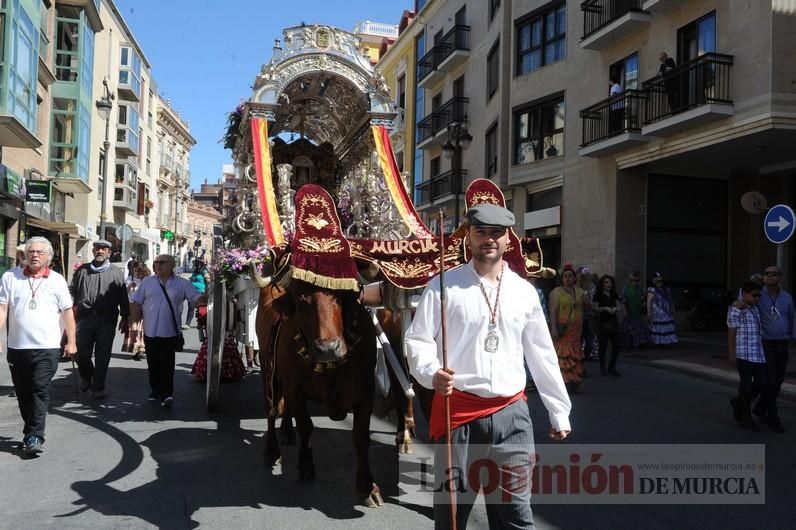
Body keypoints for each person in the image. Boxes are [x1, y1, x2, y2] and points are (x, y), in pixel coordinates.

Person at [405, 204, 571, 529]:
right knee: (452, 517)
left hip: (513, 417)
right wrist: (430, 372)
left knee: (516, 517)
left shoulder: (525, 292)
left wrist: (558, 411)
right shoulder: (442, 286)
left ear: (508, 239)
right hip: (460, 415)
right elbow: (418, 340)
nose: (489, 239)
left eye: (497, 233)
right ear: (469, 237)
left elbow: (542, 353)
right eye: (481, 232)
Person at [0, 237, 77, 455]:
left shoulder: (57, 280)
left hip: (47, 347)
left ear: (49, 257)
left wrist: (71, 341)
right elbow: (2, 309)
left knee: (38, 388)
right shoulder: (10, 277)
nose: (34, 255)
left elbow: (68, 313)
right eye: (31, 251)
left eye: (39, 252)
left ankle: (35, 435)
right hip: (17, 347)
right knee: (23, 392)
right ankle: (30, 430)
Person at [130, 254, 205, 407]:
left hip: (170, 331)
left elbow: (195, 298)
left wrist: (208, 297)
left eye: (162, 262)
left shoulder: (182, 284)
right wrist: (134, 321)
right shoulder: (147, 282)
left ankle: (167, 393)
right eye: (156, 262)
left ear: (172, 265)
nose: (158, 265)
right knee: (153, 363)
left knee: (167, 364)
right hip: (150, 330)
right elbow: (137, 301)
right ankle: (155, 390)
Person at [71, 240, 130, 399]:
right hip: (84, 318)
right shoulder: (82, 271)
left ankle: (98, 386)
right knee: (81, 353)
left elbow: (123, 297)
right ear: (93, 250)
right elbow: (72, 292)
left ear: (109, 252)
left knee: (102, 355)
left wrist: (125, 317)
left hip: (107, 319)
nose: (100, 251)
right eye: (97, 248)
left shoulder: (116, 273)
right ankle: (87, 374)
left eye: (104, 249)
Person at [751, 266, 792, 433]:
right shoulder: (758, 295)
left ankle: (759, 407)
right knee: (771, 380)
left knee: (779, 380)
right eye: (766, 273)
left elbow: (792, 316)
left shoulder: (787, 297)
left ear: (780, 277)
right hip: (765, 342)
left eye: (773, 274)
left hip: (783, 342)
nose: (769, 276)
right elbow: (742, 298)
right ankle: (773, 419)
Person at [727, 282, 766, 431]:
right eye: (754, 295)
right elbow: (732, 332)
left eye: (759, 295)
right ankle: (745, 417)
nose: (757, 298)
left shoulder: (755, 309)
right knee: (746, 386)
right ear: (745, 294)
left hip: (758, 354)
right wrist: (732, 354)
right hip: (743, 354)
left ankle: (738, 402)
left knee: (762, 382)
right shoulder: (736, 309)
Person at [550, 265, 590, 393]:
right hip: (563, 328)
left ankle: (573, 380)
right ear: (561, 279)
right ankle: (563, 383)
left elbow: (588, 307)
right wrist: (554, 329)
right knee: (562, 354)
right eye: (565, 276)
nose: (567, 278)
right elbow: (553, 311)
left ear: (574, 278)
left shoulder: (580, 292)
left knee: (574, 355)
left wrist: (586, 293)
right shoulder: (556, 292)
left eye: (570, 276)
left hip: (576, 330)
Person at [593, 275, 621, 376]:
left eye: (610, 282)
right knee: (603, 346)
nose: (609, 284)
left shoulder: (614, 294)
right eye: (606, 282)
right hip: (603, 322)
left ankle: (612, 367)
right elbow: (594, 308)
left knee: (617, 345)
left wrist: (615, 309)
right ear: (602, 284)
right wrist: (604, 308)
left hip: (613, 322)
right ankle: (602, 368)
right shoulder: (598, 295)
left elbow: (619, 306)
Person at [123, 263, 150, 361]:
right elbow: (124, 293)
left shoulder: (147, 280)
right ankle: (134, 347)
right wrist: (129, 286)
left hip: (144, 306)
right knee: (133, 328)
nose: (137, 274)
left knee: (142, 328)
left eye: (139, 272)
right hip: (132, 306)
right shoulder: (129, 279)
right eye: (135, 271)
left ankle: (141, 349)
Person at [647, 273, 678, 345]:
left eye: (661, 281)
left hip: (666, 311)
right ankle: (659, 341)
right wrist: (648, 312)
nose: (660, 283)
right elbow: (649, 302)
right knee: (660, 326)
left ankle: (667, 341)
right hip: (657, 312)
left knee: (668, 324)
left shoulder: (666, 289)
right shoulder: (652, 290)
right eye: (658, 281)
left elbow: (670, 300)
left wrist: (673, 308)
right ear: (655, 282)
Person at [620, 271, 650, 348]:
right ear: (630, 280)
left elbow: (643, 299)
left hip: (638, 313)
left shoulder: (639, 289)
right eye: (633, 280)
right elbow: (623, 300)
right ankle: (629, 344)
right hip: (630, 312)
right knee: (630, 329)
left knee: (639, 329)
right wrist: (624, 310)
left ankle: (639, 343)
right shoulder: (626, 289)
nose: (635, 282)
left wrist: (644, 304)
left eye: (636, 280)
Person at [577, 266, 597, 360]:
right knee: (577, 340)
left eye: (586, 275)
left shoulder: (592, 287)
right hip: (577, 318)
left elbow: (592, 302)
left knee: (589, 341)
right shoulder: (575, 287)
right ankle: (579, 360)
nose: (584, 277)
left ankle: (585, 355)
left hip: (589, 317)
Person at [185, 259, 210, 328]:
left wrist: (206, 291)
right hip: (193, 291)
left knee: (201, 308)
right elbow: (191, 278)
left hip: (201, 291)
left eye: (197, 264)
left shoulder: (204, 271)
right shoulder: (195, 272)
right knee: (191, 307)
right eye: (196, 264)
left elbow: (208, 280)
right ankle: (187, 323)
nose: (196, 265)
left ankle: (201, 322)